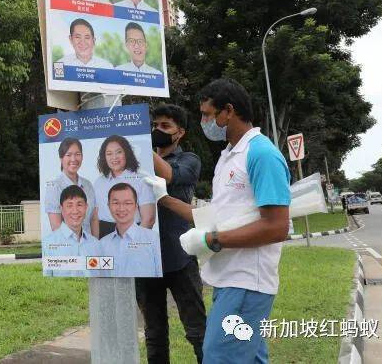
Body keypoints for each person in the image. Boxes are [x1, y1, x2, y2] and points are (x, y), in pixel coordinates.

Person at [146, 78, 291, 364]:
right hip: (227, 278)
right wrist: (164, 199)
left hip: (247, 281)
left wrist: (211, 240)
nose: (204, 122)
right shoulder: (228, 157)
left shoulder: (261, 154)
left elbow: (276, 226)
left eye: (207, 114)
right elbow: (214, 217)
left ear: (228, 111)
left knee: (220, 357)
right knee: (250, 358)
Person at [135, 104, 206, 364]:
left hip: (180, 259)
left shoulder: (189, 161)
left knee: (197, 330)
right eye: (155, 126)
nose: (158, 131)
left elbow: (167, 175)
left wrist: (140, 143)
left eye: (166, 126)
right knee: (154, 333)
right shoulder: (136, 163)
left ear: (180, 133)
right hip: (146, 261)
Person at [93, 134, 155, 238]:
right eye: (109, 154)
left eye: (119, 152)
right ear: (104, 157)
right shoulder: (99, 182)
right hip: (103, 235)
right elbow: (94, 217)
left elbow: (149, 219)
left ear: (126, 153)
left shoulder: (142, 180)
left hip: (133, 234)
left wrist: (134, 243)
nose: (114, 157)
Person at [100, 182, 162, 277]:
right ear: (108, 205)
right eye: (116, 203)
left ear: (136, 206)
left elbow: (159, 275)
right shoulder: (102, 244)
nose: (121, 208)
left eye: (127, 203)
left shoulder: (153, 239)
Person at [43, 185, 102, 277]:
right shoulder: (48, 244)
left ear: (86, 207)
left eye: (79, 204)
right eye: (69, 205)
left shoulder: (95, 244)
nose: (75, 211)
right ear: (62, 209)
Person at [44, 137, 99, 236]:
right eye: (68, 155)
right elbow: (56, 227)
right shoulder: (54, 186)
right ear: (61, 158)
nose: (73, 159)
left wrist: (95, 244)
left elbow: (94, 218)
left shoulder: (88, 185)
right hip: (68, 247)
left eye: (77, 154)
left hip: (89, 247)